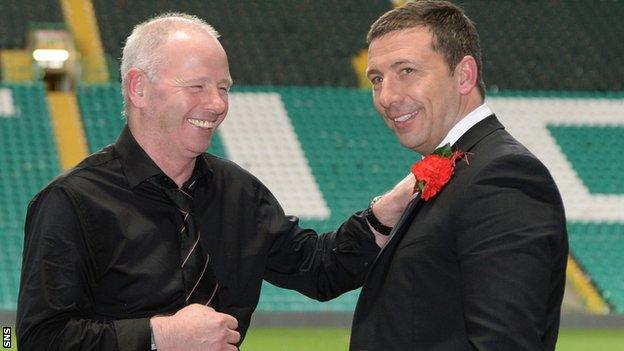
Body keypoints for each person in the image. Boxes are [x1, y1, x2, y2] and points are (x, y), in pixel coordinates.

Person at [16, 13, 414, 351]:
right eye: (197, 86)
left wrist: (385, 211)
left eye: (223, 88)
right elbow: (33, 338)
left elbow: (319, 269)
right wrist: (159, 336)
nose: (217, 104)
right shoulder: (70, 201)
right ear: (139, 88)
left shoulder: (239, 191)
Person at [350, 1, 569, 350]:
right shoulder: (465, 168)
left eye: (406, 71)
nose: (387, 97)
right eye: (377, 79)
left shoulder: (503, 177)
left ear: (464, 75)